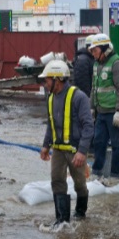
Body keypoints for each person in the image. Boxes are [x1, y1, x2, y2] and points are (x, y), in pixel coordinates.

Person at [39, 59, 94, 227]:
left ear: (58, 79)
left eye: (47, 79)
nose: (45, 83)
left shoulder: (79, 97)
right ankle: (62, 220)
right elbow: (51, 124)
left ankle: (80, 214)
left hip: (75, 150)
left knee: (80, 184)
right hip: (58, 150)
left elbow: (88, 125)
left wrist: (82, 151)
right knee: (57, 181)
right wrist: (45, 145)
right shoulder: (50, 98)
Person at [88, 33, 119, 186]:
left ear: (104, 48)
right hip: (101, 111)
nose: (93, 53)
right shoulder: (96, 64)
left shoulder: (116, 63)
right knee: (99, 142)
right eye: (91, 51)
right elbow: (94, 88)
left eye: (95, 50)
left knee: (117, 144)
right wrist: (92, 107)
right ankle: (97, 172)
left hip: (114, 112)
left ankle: (115, 176)